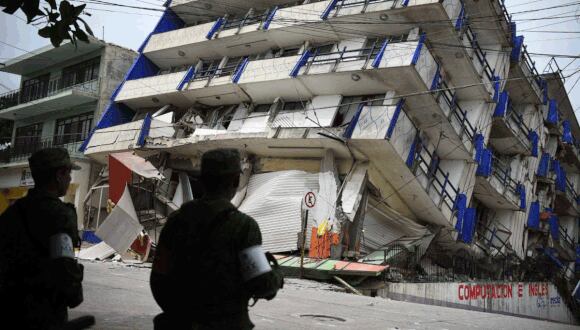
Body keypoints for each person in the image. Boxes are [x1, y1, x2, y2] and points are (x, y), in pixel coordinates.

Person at [151, 148, 283, 330]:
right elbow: (261, 284)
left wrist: (182, 314)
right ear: (236, 181)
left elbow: (158, 279)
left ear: (202, 180)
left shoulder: (176, 221)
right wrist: (277, 275)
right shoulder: (243, 227)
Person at [0, 148, 85, 329]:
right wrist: (74, 294)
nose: (70, 179)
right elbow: (64, 262)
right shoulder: (59, 215)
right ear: (59, 174)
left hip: (9, 309)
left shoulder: (13, 212)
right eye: (68, 173)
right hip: (44, 312)